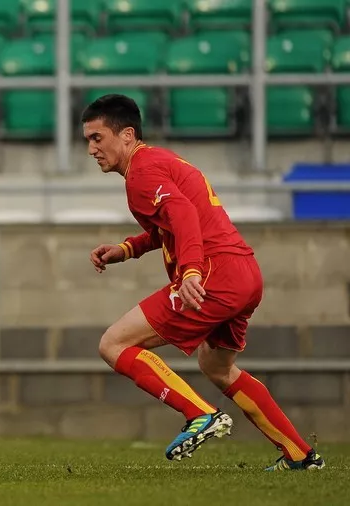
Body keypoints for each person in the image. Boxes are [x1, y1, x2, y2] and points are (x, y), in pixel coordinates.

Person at [83, 94, 324, 471]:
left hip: (214, 274)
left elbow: (182, 216)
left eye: (97, 138)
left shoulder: (142, 173)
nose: (91, 149)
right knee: (217, 366)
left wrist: (192, 269)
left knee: (114, 343)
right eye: (88, 140)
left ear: (126, 134)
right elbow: (173, 222)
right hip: (244, 272)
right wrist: (127, 249)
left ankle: (200, 415)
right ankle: (299, 455)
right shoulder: (158, 161)